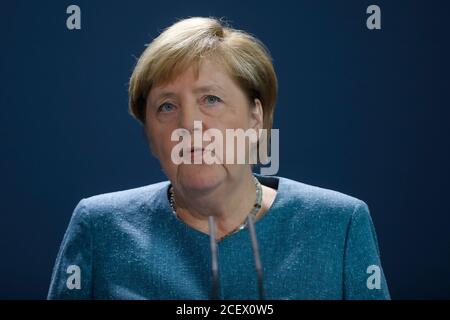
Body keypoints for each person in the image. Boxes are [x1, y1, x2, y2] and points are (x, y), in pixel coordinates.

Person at [47, 17, 390, 300]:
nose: (189, 125)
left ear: (255, 118)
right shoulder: (99, 228)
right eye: (167, 106)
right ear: (151, 137)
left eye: (210, 99)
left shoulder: (340, 225)